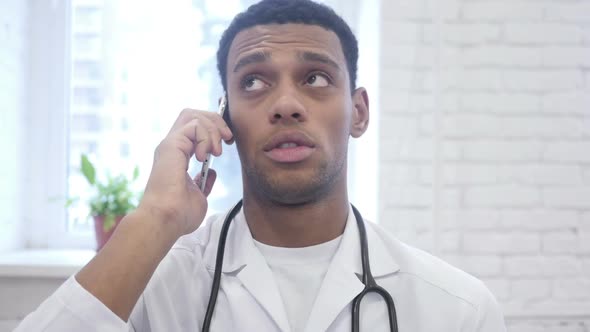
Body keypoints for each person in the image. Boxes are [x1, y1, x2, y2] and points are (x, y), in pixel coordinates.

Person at [15, 0, 507, 331]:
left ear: (358, 112)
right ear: (224, 117)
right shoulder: (150, 288)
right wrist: (155, 220)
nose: (286, 104)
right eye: (253, 82)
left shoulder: (458, 310)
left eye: (315, 77)